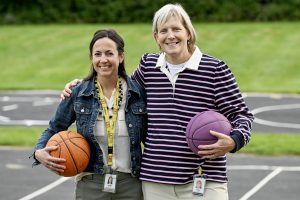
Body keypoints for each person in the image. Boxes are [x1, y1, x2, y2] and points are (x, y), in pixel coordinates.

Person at [61, 3, 254, 200]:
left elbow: (242, 115)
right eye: (163, 31)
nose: (170, 36)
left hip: (204, 178)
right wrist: (81, 86)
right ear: (156, 37)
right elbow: (116, 86)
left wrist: (234, 141)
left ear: (188, 32)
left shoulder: (214, 69)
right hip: (156, 182)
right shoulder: (148, 67)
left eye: (176, 29)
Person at [32, 29, 147, 200]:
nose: (103, 60)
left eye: (109, 53)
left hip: (130, 183)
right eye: (97, 54)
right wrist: (38, 152)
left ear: (120, 56)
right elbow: (55, 127)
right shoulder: (78, 92)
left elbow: (152, 137)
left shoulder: (138, 92)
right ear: (91, 58)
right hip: (91, 181)